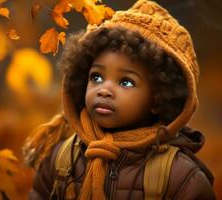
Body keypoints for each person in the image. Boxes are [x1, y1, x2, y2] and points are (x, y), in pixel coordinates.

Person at [23, 0, 216, 199]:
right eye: (96, 77)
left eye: (126, 82)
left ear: (159, 99)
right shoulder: (63, 158)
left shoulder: (178, 175)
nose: (104, 90)